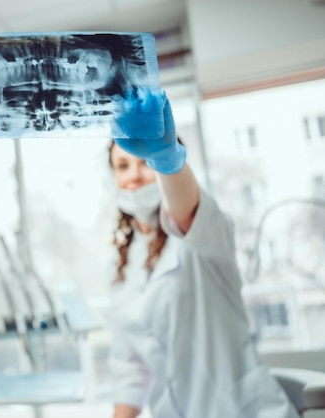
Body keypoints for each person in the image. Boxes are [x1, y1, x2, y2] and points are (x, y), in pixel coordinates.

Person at [106, 88, 299, 418]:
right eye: (122, 165)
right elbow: (131, 372)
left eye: (144, 162)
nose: (134, 175)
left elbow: (185, 211)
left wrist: (166, 159)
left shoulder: (201, 234)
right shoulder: (124, 265)